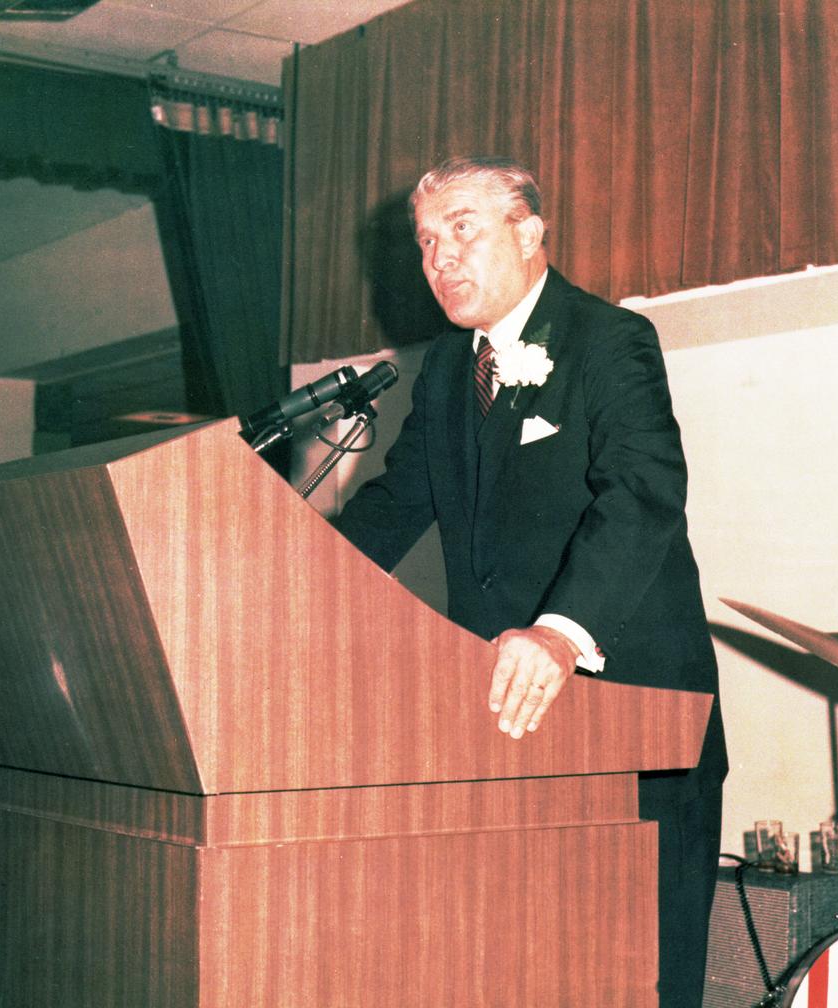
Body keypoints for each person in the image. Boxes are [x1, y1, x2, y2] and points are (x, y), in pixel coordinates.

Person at [332, 156, 727, 1007]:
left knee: (643, 979)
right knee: (526, 967)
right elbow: (397, 504)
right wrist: (285, 577)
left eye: (462, 230)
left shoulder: (609, 338)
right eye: (427, 242)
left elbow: (643, 494)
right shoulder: (445, 369)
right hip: (506, 729)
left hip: (634, 718)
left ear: (530, 231)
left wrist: (559, 632)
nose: (440, 259)